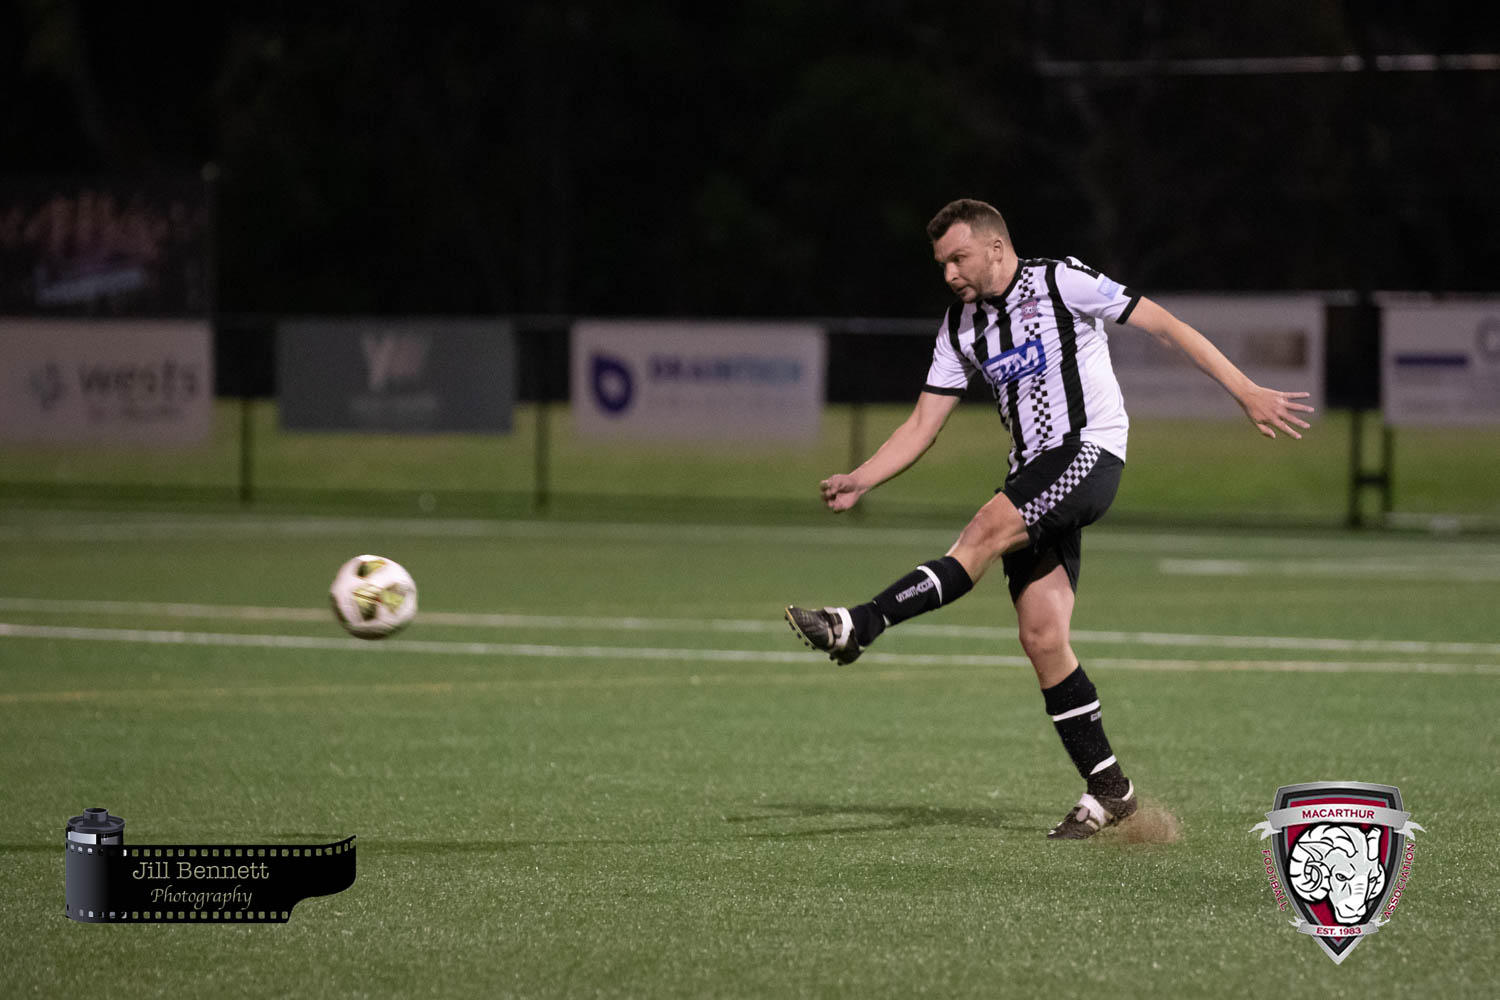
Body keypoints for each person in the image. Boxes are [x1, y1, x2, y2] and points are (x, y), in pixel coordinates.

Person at [785, 198, 1313, 840]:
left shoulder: (1060, 280)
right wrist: (862, 477)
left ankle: (857, 625)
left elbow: (1165, 325)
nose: (949, 273)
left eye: (958, 258)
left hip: (1089, 452)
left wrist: (1246, 390)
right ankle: (1111, 790)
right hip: (1033, 474)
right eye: (941, 263)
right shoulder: (960, 326)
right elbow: (924, 423)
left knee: (981, 534)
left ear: (996, 247)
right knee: (1041, 637)